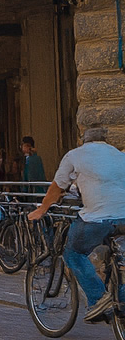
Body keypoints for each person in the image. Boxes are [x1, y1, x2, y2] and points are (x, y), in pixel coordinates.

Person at [28, 127, 125, 324]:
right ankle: (120, 298)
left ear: (83, 141)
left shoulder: (75, 155)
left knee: (73, 253)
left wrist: (42, 210)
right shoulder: (118, 154)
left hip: (98, 218)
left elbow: (57, 187)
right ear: (104, 141)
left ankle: (99, 298)